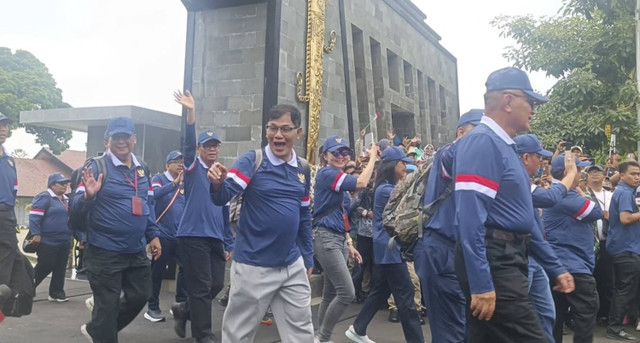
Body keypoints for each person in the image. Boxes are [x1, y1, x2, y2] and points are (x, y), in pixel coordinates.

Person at [453, 67, 574, 342]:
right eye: (529, 102)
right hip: (495, 261)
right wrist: (482, 283)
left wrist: (554, 266)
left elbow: (526, 218)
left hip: (509, 256)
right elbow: (470, 218)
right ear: (507, 101)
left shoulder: (504, 146)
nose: (533, 109)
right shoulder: (483, 142)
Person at [208, 104, 315, 343]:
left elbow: (304, 215)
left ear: (298, 133)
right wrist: (216, 183)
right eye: (272, 128)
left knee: (302, 334)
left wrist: (307, 256)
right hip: (253, 267)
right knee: (238, 335)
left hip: (291, 264)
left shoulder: (303, 169)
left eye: (285, 129)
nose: (278, 135)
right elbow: (224, 195)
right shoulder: (252, 161)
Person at [72, 116, 162, 343]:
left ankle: (98, 328)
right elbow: (74, 209)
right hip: (104, 252)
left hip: (135, 249)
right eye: (116, 137)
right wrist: (87, 196)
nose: (121, 142)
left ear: (134, 139)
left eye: (125, 136)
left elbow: (147, 204)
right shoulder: (96, 166)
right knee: (108, 307)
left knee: (141, 296)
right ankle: (103, 329)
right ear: (107, 141)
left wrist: (153, 234)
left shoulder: (143, 168)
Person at [413, 108, 483, 343]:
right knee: (450, 333)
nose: (485, 138)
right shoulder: (447, 154)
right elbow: (457, 152)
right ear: (460, 132)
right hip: (441, 250)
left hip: (460, 252)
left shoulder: (478, 164)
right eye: (479, 131)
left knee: (464, 330)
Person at [171, 91, 233, 343]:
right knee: (200, 287)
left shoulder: (220, 171)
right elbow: (187, 145)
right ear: (199, 149)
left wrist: (229, 241)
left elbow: (225, 207)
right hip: (193, 234)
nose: (212, 149)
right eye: (207, 146)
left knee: (215, 284)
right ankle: (203, 334)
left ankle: (183, 309)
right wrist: (191, 114)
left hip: (215, 237)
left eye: (215, 146)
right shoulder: (193, 167)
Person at [345, 146, 424, 343]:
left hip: (387, 247)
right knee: (406, 299)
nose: (405, 166)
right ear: (391, 166)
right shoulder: (386, 190)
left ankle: (358, 327)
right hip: (390, 249)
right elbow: (410, 198)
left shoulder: (386, 188)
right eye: (402, 163)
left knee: (380, 291)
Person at [311, 135, 376, 343]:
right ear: (325, 156)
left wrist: (348, 243)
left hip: (336, 238)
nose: (341, 156)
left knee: (331, 293)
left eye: (344, 152)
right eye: (336, 152)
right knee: (346, 292)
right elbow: (362, 181)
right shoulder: (328, 173)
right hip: (325, 237)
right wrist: (373, 156)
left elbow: (342, 213)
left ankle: (320, 337)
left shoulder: (336, 179)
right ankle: (323, 337)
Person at [515, 135, 578, 343]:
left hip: (535, 257)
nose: (542, 162)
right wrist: (570, 174)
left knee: (545, 315)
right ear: (525, 157)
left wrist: (556, 268)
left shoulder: (526, 181)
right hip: (518, 258)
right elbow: (550, 198)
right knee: (519, 321)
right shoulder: (514, 179)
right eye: (538, 157)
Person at [544, 153, 602, 343]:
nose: (582, 174)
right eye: (579, 169)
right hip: (572, 265)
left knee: (557, 315)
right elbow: (596, 211)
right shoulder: (566, 195)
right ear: (568, 172)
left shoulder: (560, 193)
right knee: (586, 311)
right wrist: (584, 195)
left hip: (562, 264)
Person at [144, 151, 188, 322]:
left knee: (186, 267)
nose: (180, 164)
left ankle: (181, 303)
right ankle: (152, 307)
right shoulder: (159, 179)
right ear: (167, 165)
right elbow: (154, 195)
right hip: (161, 234)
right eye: (176, 161)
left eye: (182, 162)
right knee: (157, 272)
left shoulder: (185, 184)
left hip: (180, 235)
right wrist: (173, 184)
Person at [606, 161, 640, 341]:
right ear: (622, 174)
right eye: (633, 174)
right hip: (625, 248)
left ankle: (622, 322)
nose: (636, 177)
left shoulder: (625, 192)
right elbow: (626, 218)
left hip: (626, 247)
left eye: (638, 174)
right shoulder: (625, 193)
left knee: (627, 288)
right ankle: (614, 327)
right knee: (625, 289)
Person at [29, 172, 72, 302]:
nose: (64, 186)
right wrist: (36, 234)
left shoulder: (67, 199)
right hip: (47, 240)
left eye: (66, 183)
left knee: (60, 267)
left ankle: (56, 293)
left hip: (64, 239)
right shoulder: (44, 197)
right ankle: (26, 289)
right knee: (45, 265)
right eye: (61, 183)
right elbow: (34, 217)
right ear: (52, 185)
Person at [585, 165, 614, 322]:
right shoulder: (583, 194)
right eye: (591, 172)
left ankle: (604, 312)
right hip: (590, 241)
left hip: (607, 241)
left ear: (604, 176)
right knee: (590, 277)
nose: (594, 174)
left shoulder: (611, 195)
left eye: (598, 172)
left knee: (606, 278)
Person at [0, 113, 18, 292]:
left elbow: (13, 190)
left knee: (9, 252)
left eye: (5, 125)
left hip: (5, 214)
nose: (3, 129)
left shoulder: (10, 160)